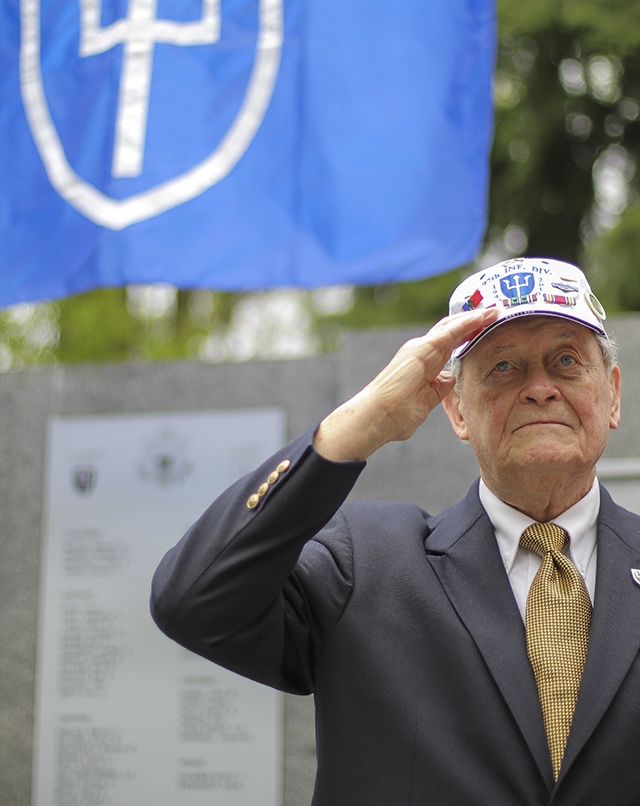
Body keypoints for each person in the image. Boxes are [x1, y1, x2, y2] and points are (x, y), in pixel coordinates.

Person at [151, 257, 640, 806]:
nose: (540, 388)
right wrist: (360, 425)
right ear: (456, 408)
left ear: (612, 394)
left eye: (567, 360)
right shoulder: (365, 565)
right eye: (504, 366)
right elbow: (191, 601)